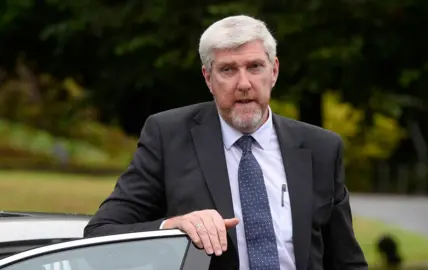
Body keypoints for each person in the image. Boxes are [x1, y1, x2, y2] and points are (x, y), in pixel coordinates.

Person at [84, 15, 368, 270]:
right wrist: (173, 227)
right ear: (208, 77)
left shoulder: (321, 148)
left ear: (274, 71)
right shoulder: (168, 136)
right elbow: (100, 233)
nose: (243, 84)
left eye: (255, 67)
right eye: (228, 70)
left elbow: (346, 261)